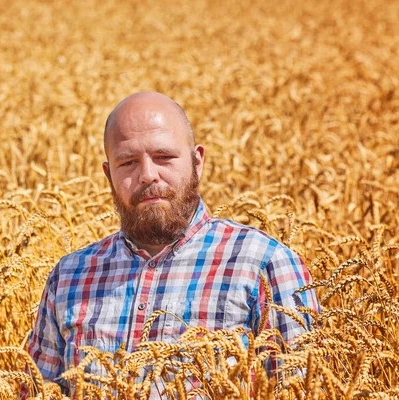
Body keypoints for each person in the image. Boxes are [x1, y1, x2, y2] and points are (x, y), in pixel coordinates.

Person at [28, 92, 319, 394]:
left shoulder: (265, 265)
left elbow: (304, 389)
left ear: (197, 162)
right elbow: (36, 391)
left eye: (164, 157)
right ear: (108, 175)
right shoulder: (70, 277)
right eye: (127, 162)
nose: (147, 175)